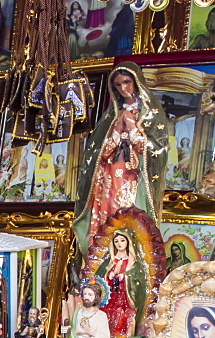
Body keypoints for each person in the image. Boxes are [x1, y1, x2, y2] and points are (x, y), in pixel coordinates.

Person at [72, 64, 168, 264]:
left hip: (134, 179)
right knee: (109, 216)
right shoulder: (112, 115)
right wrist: (117, 128)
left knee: (130, 219)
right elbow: (100, 151)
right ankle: (104, 261)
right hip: (110, 177)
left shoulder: (150, 113)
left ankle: (131, 262)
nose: (123, 89)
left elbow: (153, 149)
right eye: (118, 85)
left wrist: (131, 126)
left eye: (127, 82)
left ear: (136, 82)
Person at [97, 230, 148, 338]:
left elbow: (139, 282)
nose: (119, 243)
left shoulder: (134, 264)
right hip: (110, 299)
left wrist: (125, 277)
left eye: (122, 240)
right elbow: (99, 279)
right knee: (108, 319)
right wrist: (108, 276)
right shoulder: (109, 262)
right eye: (116, 241)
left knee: (123, 319)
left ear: (128, 242)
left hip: (125, 299)